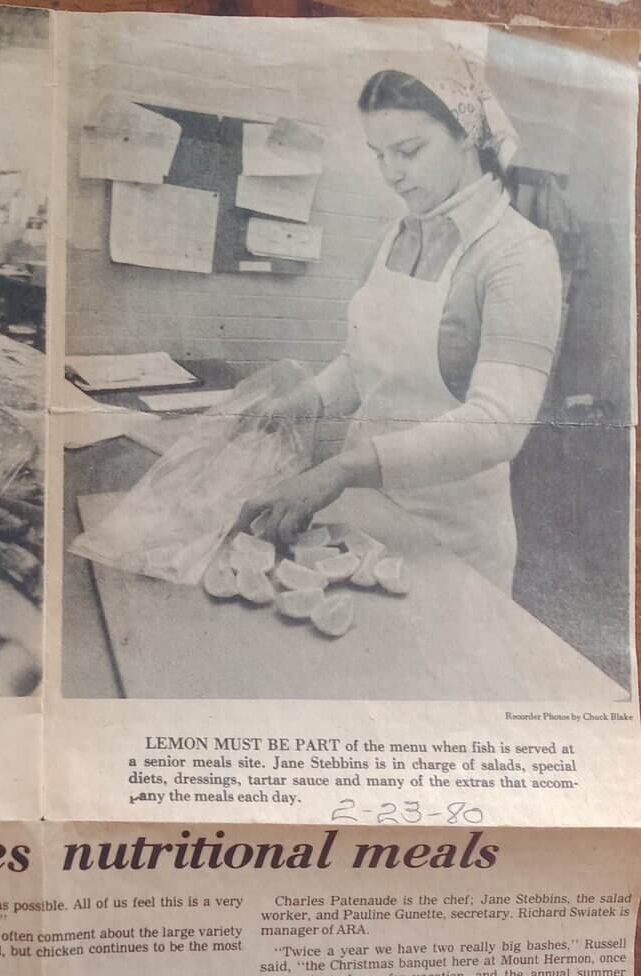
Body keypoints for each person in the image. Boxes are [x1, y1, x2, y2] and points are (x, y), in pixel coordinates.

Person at [234, 48, 562, 594]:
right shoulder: (394, 236)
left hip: (453, 538)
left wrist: (340, 470)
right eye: (378, 154)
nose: (391, 174)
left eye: (408, 151)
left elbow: (499, 423)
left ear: (465, 135)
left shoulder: (520, 255)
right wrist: (306, 403)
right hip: (367, 513)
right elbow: (363, 362)